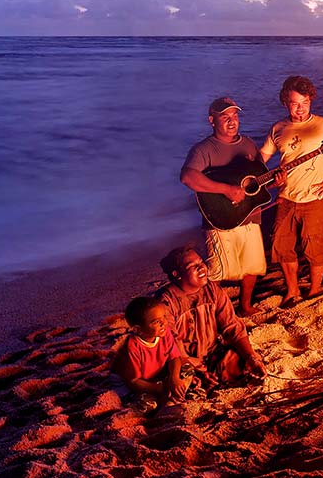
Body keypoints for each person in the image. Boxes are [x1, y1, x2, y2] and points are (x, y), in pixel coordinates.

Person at [179, 96, 266, 316]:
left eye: (234, 115)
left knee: (252, 265)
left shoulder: (247, 144)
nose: (231, 121)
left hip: (250, 214)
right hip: (218, 217)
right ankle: (214, 312)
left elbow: (258, 179)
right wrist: (225, 189)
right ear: (212, 120)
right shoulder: (203, 149)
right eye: (224, 116)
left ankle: (244, 306)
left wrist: (277, 181)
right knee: (218, 269)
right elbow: (188, 178)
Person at [259, 75, 323, 307]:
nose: (301, 109)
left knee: (315, 246)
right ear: (285, 101)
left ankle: (315, 290)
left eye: (305, 103)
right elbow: (259, 161)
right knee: (282, 246)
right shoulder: (278, 128)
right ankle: (292, 290)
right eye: (295, 103)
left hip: (314, 197)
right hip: (285, 198)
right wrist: (268, 181)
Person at [156, 245, 266, 387]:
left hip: (212, 353)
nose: (201, 268)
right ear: (177, 274)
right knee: (181, 383)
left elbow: (231, 325)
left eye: (201, 263)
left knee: (248, 365)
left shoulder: (212, 289)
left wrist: (251, 357)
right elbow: (170, 343)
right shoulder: (166, 302)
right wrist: (195, 368)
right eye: (192, 266)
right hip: (182, 360)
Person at [110, 295, 193, 411]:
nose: (163, 323)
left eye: (164, 317)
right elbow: (133, 381)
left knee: (186, 368)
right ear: (138, 329)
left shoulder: (164, 332)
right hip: (135, 382)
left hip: (155, 373)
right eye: (156, 322)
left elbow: (174, 357)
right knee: (148, 406)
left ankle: (175, 396)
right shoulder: (132, 348)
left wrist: (174, 378)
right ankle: (167, 400)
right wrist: (160, 389)